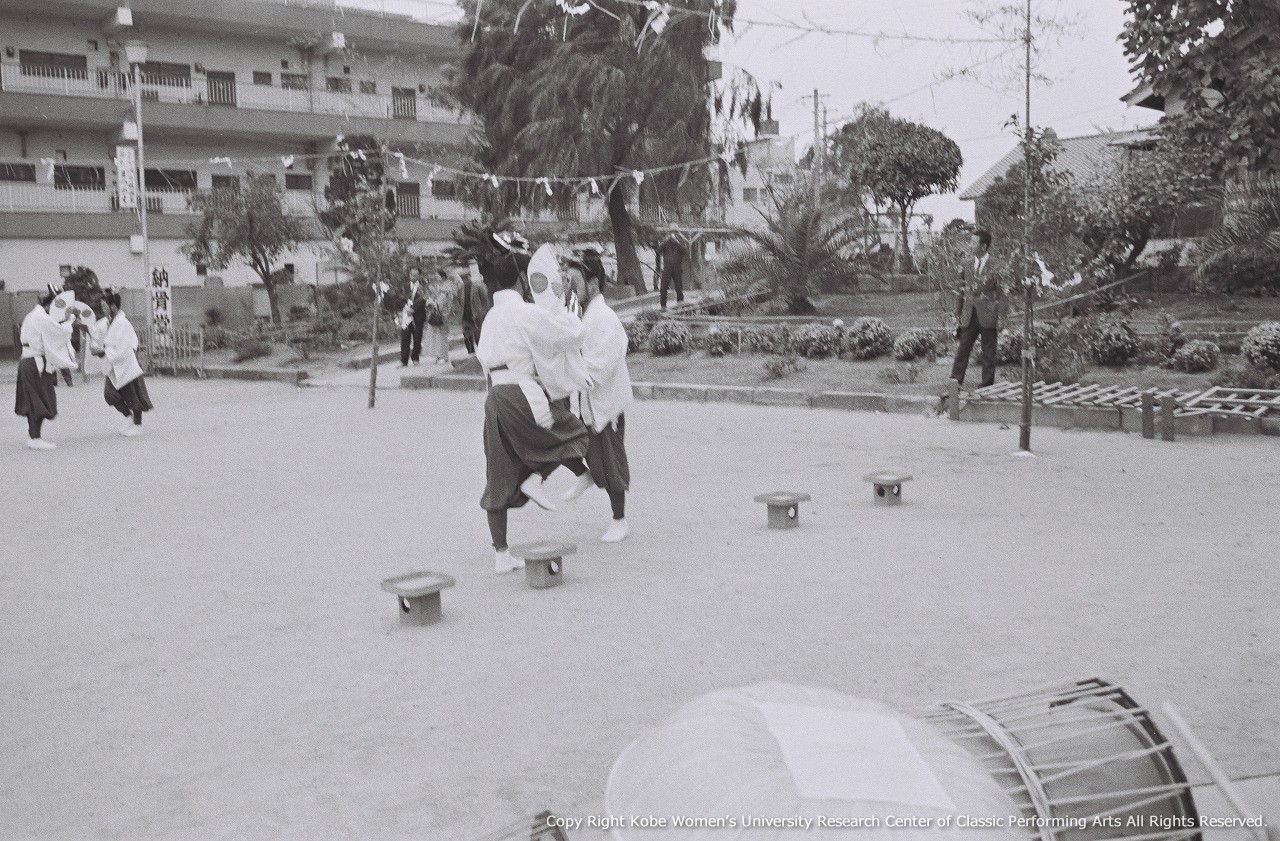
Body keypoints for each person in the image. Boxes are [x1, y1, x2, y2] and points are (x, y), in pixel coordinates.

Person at [477, 244, 594, 575]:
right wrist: (565, 304)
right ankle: (537, 478)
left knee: (498, 472)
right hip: (521, 392)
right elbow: (570, 333)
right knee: (574, 433)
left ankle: (501, 554)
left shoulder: (491, 317)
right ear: (521, 280)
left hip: (494, 396)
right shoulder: (524, 312)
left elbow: (485, 361)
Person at [561, 260, 632, 543]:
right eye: (568, 282)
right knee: (561, 441)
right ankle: (584, 474)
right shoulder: (585, 315)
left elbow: (600, 367)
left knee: (610, 462)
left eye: (575, 282)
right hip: (586, 401)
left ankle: (619, 519)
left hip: (605, 404)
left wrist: (569, 367)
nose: (570, 288)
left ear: (592, 284)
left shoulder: (604, 318)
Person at [15, 285, 80, 450]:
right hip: (34, 362)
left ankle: (33, 436)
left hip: (28, 360)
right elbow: (60, 333)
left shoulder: (33, 315)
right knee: (40, 400)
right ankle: (35, 437)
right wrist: (70, 320)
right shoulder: (41, 317)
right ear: (50, 304)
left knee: (33, 400)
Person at [90, 289, 152, 436]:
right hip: (113, 365)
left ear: (113, 307)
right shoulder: (107, 322)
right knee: (109, 394)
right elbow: (96, 333)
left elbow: (126, 347)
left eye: (104, 306)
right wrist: (96, 347)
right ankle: (128, 417)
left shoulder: (123, 323)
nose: (102, 309)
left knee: (134, 395)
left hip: (126, 364)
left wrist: (104, 352)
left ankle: (138, 425)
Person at [949, 228, 1002, 388]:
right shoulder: (966, 263)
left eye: (973, 242)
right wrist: (957, 313)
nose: (970, 245)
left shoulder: (997, 266)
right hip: (969, 315)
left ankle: (986, 385)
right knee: (962, 350)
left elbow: (1003, 293)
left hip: (988, 315)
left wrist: (1002, 317)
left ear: (983, 246)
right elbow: (960, 290)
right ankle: (954, 383)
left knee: (988, 352)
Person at [426, 269, 459, 366]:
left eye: (438, 276)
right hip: (439, 313)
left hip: (443, 314)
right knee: (437, 335)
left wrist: (432, 303)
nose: (436, 278)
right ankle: (439, 355)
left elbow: (442, 302)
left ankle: (444, 356)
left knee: (442, 336)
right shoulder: (440, 287)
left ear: (443, 277)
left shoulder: (446, 288)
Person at [460, 261, 490, 355]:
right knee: (466, 335)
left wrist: (483, 311)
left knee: (478, 334)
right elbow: (460, 301)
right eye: (462, 278)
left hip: (476, 314)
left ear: (469, 277)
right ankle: (471, 352)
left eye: (465, 277)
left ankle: (481, 353)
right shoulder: (461, 289)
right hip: (465, 316)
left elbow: (485, 300)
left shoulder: (477, 287)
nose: (464, 280)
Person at [399, 271, 427, 367]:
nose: (412, 276)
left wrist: (413, 310)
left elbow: (423, 300)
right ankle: (403, 360)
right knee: (405, 338)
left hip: (418, 316)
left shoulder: (422, 287)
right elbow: (400, 299)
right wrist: (406, 307)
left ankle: (415, 358)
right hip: (406, 316)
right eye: (411, 274)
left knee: (417, 338)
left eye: (415, 275)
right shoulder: (405, 287)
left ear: (418, 276)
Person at [658, 238, 685, 309]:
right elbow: (659, 250)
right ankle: (663, 305)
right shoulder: (665, 243)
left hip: (677, 268)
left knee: (679, 287)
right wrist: (665, 241)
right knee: (663, 287)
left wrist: (677, 242)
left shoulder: (679, 242)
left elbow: (684, 251)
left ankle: (680, 303)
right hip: (667, 268)